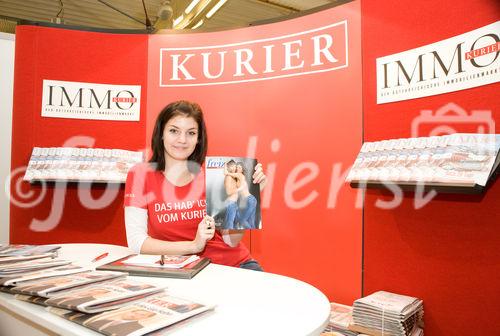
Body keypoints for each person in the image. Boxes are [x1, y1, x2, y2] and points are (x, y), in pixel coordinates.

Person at [124, 100, 266, 271]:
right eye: (174, 131)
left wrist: (248, 193)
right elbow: (136, 243)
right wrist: (194, 246)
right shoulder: (140, 174)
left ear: (199, 138)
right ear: (161, 133)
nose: (182, 140)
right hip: (179, 271)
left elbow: (231, 241)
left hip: (232, 266)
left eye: (191, 133)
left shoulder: (215, 172)